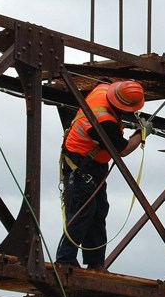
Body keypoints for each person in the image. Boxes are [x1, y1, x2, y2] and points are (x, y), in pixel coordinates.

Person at [55, 80, 147, 270]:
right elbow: (123, 150)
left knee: (99, 211)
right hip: (81, 165)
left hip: (94, 165)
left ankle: (95, 262)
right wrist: (142, 133)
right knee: (83, 211)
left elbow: (103, 83)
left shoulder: (103, 89)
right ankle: (65, 260)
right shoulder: (103, 121)